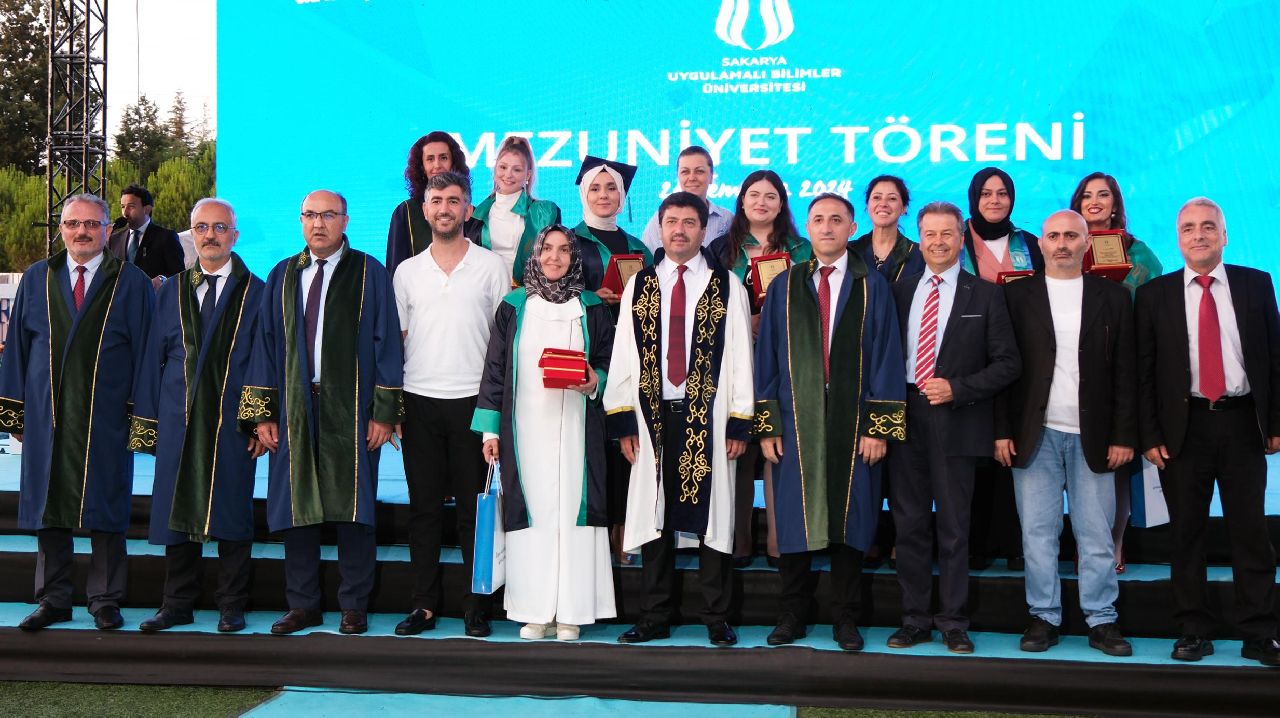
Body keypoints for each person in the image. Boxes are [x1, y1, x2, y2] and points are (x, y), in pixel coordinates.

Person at [239, 189, 404, 636]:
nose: (318, 223)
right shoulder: (282, 275)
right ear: (301, 220)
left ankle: (354, 605)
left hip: (352, 409)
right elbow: (265, 345)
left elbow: (387, 342)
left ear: (345, 221)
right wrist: (263, 414)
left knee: (355, 510)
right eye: (310, 215)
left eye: (328, 215)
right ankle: (303, 605)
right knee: (298, 510)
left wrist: (384, 413)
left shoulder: (369, 272)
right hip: (295, 407)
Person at [754, 193, 905, 651]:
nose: (826, 227)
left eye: (836, 220)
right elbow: (768, 359)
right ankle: (792, 615)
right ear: (808, 227)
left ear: (851, 227)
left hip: (852, 421)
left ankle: (846, 619)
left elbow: (887, 356)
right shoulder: (785, 285)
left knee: (850, 518)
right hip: (795, 420)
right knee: (794, 520)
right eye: (818, 219)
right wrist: (768, 423)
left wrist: (878, 426)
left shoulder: (871, 285)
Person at [605, 191, 754, 647]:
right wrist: (623, 420)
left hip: (709, 417)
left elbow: (741, 357)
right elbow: (624, 354)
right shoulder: (641, 285)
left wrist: (739, 419)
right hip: (652, 416)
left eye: (690, 222)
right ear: (661, 227)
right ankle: (654, 615)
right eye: (672, 222)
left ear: (704, 230)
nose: (680, 231)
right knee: (654, 515)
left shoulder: (727, 285)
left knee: (714, 517)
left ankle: (716, 616)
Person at [1136, 197, 1280, 666]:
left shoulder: (1256, 284)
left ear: (1224, 235)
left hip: (1242, 422)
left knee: (1250, 531)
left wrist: (1276, 422)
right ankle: (1193, 630)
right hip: (1184, 427)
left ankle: (1260, 632)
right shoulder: (1155, 295)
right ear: (1178, 239)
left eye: (1208, 227)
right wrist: (1149, 434)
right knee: (1186, 534)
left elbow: (1275, 357)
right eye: (1189, 228)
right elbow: (1144, 372)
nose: (1198, 235)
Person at [1, 194, 154, 631]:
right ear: (61, 229)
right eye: (72, 223)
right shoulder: (38, 277)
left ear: (108, 229)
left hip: (107, 415)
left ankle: (105, 599)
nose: (81, 231)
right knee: (49, 507)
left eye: (91, 224)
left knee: (108, 507)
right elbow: (18, 350)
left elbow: (145, 353)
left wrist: (140, 416)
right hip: (46, 414)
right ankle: (53, 598)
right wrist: (16, 414)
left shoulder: (131, 281)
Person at [994, 210, 1136, 657]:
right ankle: (1043, 616)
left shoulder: (1113, 297)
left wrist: (1124, 435)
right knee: (1037, 533)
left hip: (1095, 435)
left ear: (1086, 242)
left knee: (1096, 534)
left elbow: (1127, 373)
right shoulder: (1015, 296)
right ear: (1040, 244)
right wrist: (1001, 431)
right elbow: (1002, 369)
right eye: (1053, 236)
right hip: (1033, 433)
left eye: (1071, 236)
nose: (1062, 244)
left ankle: (1102, 619)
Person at [472, 224, 617, 641]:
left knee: (573, 513)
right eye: (547, 249)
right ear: (534, 255)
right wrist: (490, 432)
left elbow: (610, 360)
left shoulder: (592, 307)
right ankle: (534, 610)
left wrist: (595, 380)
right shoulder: (513, 306)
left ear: (575, 257)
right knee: (532, 514)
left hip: (577, 430)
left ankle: (572, 611)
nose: (555, 257)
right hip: (525, 432)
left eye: (564, 250)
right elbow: (495, 370)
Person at [888, 201, 1020, 654]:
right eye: (930, 234)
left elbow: (1008, 364)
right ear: (919, 239)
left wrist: (958, 389)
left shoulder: (985, 295)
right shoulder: (897, 290)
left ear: (961, 240)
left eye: (947, 233)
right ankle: (913, 619)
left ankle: (953, 621)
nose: (938, 242)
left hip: (958, 420)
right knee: (909, 525)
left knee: (954, 528)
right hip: (905, 418)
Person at [129, 198, 266, 633]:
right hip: (178, 418)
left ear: (234, 236)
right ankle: (176, 604)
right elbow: (153, 358)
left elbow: (265, 361)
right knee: (176, 510)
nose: (210, 235)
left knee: (232, 510)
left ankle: (232, 605)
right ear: (192, 234)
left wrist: (258, 422)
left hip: (232, 421)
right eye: (202, 227)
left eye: (220, 227)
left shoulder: (257, 292)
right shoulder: (169, 291)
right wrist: (150, 424)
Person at [394, 171, 510, 638]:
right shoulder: (406, 272)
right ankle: (423, 606)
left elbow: (503, 345)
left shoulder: (492, 267)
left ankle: (476, 605)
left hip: (473, 405)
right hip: (419, 401)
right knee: (422, 511)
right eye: (436, 200)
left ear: (467, 209)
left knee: (472, 513)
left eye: (454, 200)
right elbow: (399, 342)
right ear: (424, 209)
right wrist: (394, 407)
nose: (444, 208)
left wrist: (495, 410)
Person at [705, 169, 812, 565]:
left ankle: (780, 539)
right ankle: (738, 538)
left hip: (788, 360)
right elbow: (705, 302)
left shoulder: (802, 249)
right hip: (733, 359)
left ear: (782, 204)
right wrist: (742, 320)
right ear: (742, 201)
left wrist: (774, 320)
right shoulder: (721, 248)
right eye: (754, 195)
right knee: (736, 446)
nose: (761, 202)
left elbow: (816, 300)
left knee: (778, 445)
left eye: (770, 196)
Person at [1070, 171, 1164, 575]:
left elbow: (1153, 308)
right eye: (1087, 195)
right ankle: (1084, 544)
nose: (1094, 201)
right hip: (1066, 369)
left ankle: (1114, 542)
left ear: (1114, 205)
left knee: (1115, 464)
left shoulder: (1139, 254)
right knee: (1072, 464)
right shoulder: (1062, 245)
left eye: (1103, 195)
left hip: (1118, 369)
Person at [961, 167, 1039, 571]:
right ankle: (974, 543)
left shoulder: (1031, 244)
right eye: (986, 193)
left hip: (1022, 361)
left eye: (1003, 193)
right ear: (974, 198)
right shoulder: (955, 240)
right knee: (975, 455)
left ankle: (1014, 543)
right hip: (971, 362)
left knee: (1016, 453)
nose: (995, 200)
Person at [385, 131, 481, 276]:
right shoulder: (406, 212)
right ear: (422, 166)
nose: (437, 165)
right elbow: (395, 272)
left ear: (453, 162)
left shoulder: (469, 211)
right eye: (430, 159)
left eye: (443, 158)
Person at [469, 136, 561, 283]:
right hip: (486, 289)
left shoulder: (543, 213)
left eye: (517, 170)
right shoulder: (477, 214)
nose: (508, 175)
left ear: (528, 175)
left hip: (528, 292)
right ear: (495, 169)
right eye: (503, 167)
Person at [573, 156, 653, 303]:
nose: (603, 195)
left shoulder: (638, 246)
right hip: (586, 318)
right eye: (595, 189)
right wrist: (593, 298)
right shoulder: (568, 241)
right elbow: (554, 293)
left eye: (611, 188)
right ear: (584, 194)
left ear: (621, 194)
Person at [640, 146, 734, 253]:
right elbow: (647, 258)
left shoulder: (727, 219)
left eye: (699, 171)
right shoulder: (660, 218)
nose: (692, 178)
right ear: (678, 177)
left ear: (712, 177)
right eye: (685, 172)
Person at [849, 175, 924, 282]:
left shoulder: (919, 255)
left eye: (892, 198)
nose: (883, 204)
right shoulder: (849, 251)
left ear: (904, 208)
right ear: (868, 205)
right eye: (877, 197)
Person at [108, 184, 186, 287]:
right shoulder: (114, 238)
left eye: (131, 206)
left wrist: (162, 280)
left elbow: (180, 277)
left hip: (153, 296)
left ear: (147, 209)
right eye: (123, 206)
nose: (125, 212)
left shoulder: (166, 237)